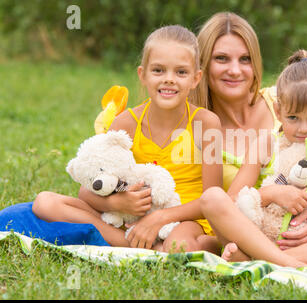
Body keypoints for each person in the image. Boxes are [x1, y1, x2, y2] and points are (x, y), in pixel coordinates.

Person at [32, 25, 223, 254]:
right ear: (142, 75)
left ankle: (148, 246)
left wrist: (160, 218)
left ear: (195, 78)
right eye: (158, 70)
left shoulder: (206, 123)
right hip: (129, 219)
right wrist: (115, 203)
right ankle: (138, 244)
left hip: (185, 221)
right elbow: (88, 190)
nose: (169, 80)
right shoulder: (126, 123)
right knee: (45, 202)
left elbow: (211, 200)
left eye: (181, 72)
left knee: (179, 245)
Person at [190, 12, 307, 253]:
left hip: (305, 234)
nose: (235, 70)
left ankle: (263, 260)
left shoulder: (289, 96)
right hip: (253, 229)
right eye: (221, 58)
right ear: (202, 65)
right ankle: (274, 259)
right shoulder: (199, 127)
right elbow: (222, 205)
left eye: (245, 59)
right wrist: (272, 194)